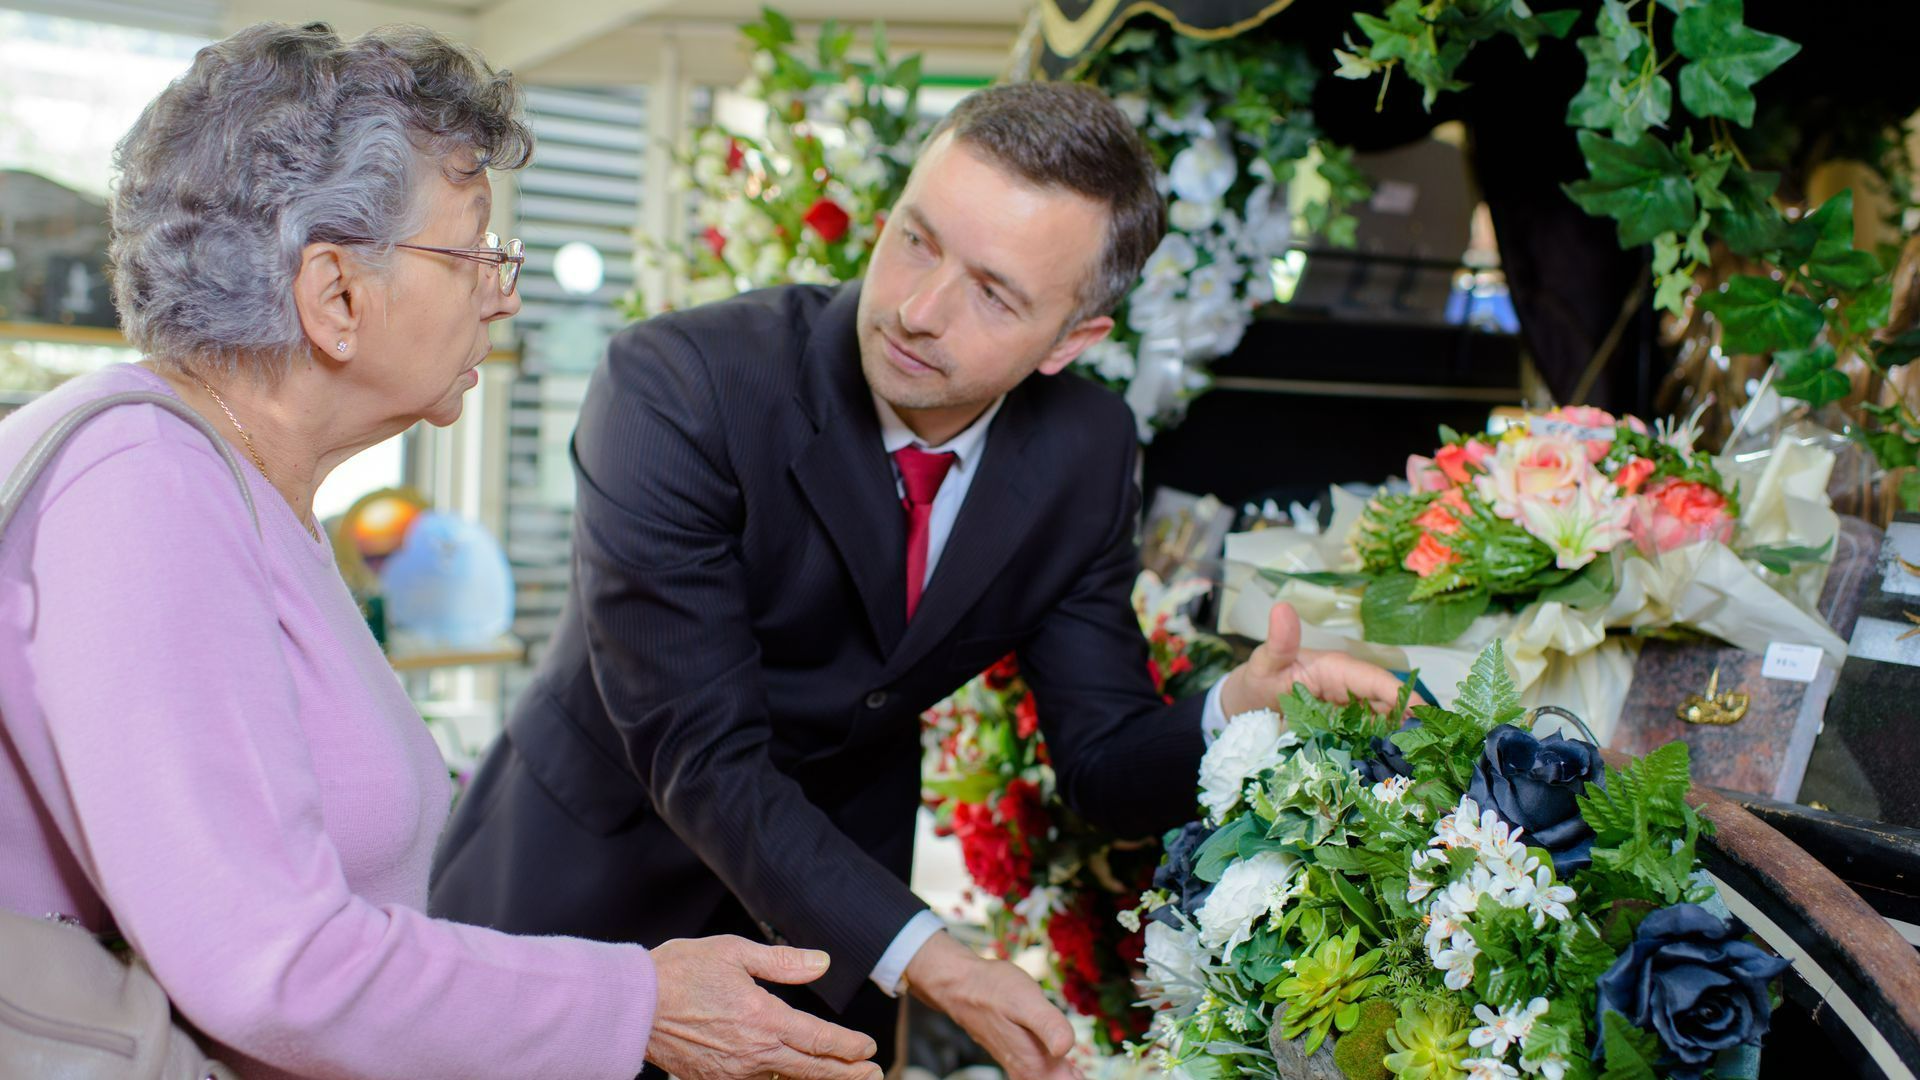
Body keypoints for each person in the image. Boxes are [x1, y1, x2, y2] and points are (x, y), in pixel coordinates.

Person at [429, 81, 1407, 1078]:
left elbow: (1104, 761)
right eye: (916, 239)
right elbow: (703, 754)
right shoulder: (683, 384)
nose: (918, 309)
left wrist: (1236, 708)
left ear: (1071, 343)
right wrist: (935, 959)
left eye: (994, 292)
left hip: (831, 939)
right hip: (583, 894)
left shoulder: (1086, 450)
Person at [0, 22, 882, 1080]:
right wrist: (635, 1003)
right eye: (474, 252)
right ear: (335, 295)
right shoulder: (146, 486)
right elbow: (272, 964)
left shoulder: (239, 486)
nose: (503, 294)